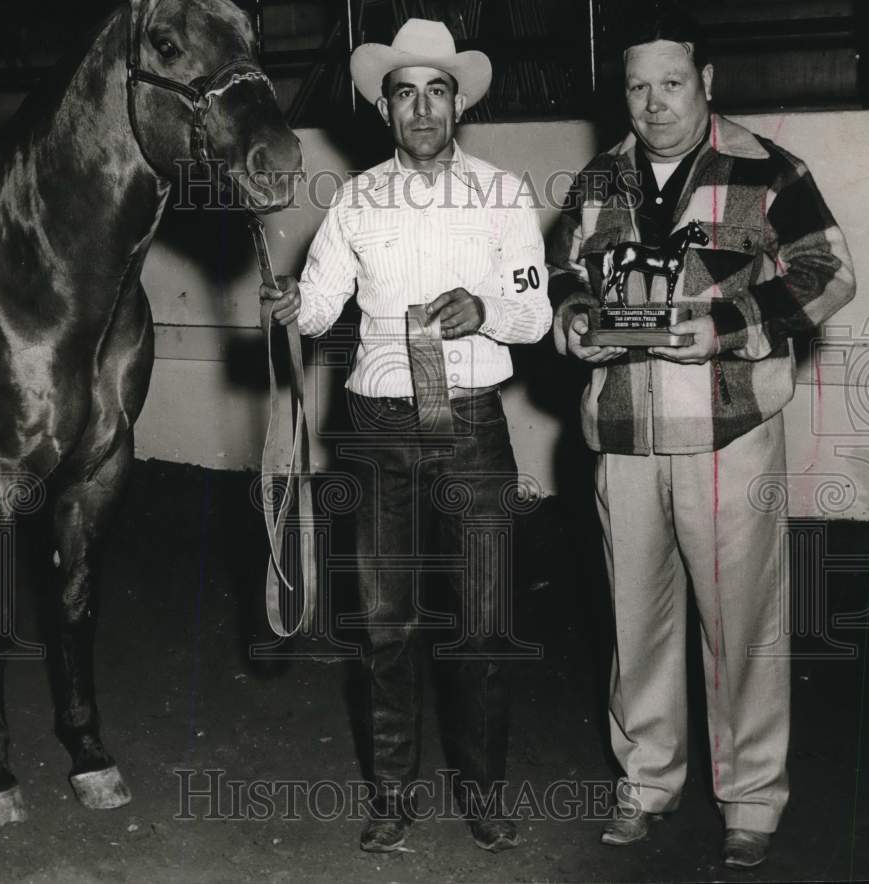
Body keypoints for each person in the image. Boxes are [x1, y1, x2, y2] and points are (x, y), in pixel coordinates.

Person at [547, 2, 855, 870]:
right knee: (634, 624)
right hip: (622, 436)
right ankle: (646, 783)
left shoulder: (766, 167)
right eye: (638, 87)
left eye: (672, 84)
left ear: (707, 83)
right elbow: (567, 271)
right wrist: (570, 314)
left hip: (727, 433)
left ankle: (751, 798)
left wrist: (729, 326)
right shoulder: (598, 179)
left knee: (743, 626)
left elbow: (829, 273)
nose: (654, 103)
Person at [260, 18, 551, 854]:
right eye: (404, 94)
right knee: (386, 626)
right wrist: (292, 308)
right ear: (384, 109)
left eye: (436, 92)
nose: (421, 109)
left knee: (484, 622)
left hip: (471, 426)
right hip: (379, 430)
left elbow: (533, 313)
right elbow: (319, 304)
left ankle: (485, 793)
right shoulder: (355, 201)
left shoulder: (502, 195)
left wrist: (487, 308)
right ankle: (392, 797)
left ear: (457, 103)